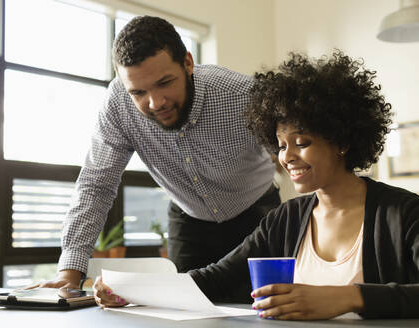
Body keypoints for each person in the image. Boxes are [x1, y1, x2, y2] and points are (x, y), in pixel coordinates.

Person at [93, 50, 419, 320]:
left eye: (301, 142)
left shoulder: (404, 214)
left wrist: (351, 298)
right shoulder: (285, 219)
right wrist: (130, 291)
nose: (286, 156)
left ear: (341, 142)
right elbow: (216, 278)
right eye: (280, 144)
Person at [37, 15, 280, 290]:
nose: (155, 103)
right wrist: (68, 275)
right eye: (138, 92)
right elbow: (96, 185)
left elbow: (296, 156)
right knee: (181, 308)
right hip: (189, 219)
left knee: (268, 308)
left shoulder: (241, 94)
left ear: (188, 63)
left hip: (258, 214)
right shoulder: (118, 105)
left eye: (165, 83)